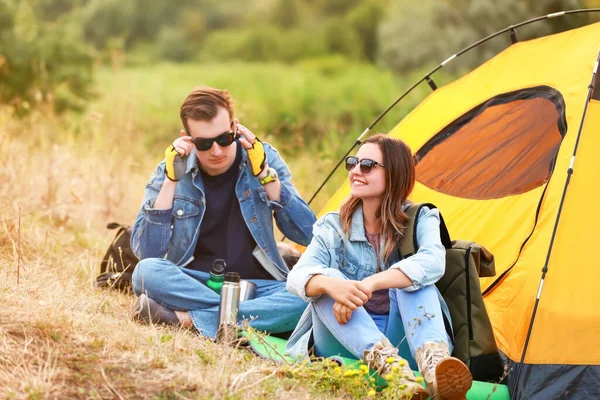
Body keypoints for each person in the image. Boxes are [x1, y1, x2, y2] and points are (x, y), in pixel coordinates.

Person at [285, 134, 472, 399]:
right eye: (354, 163)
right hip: (343, 339)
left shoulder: (421, 218)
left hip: (407, 341)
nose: (356, 172)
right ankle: (391, 369)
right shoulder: (333, 226)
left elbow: (433, 261)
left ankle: (434, 369)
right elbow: (297, 276)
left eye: (368, 165)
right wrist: (333, 285)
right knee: (327, 277)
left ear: (395, 174)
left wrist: (370, 283)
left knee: (414, 280)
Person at [130, 86, 316, 339]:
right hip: (195, 282)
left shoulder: (263, 158)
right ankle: (244, 319)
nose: (216, 151)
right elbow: (147, 255)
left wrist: (265, 176)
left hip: (259, 287)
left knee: (311, 298)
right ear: (187, 138)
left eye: (224, 139)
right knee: (145, 274)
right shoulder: (172, 168)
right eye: (204, 144)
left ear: (235, 127)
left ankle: (186, 319)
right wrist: (170, 182)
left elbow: (307, 235)